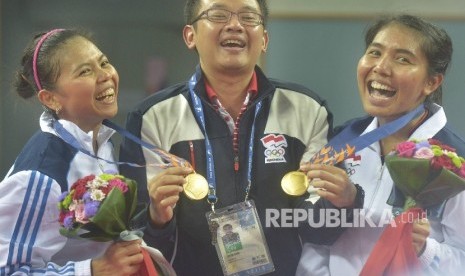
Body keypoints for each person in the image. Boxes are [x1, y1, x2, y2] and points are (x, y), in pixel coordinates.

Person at [119, 0, 364, 275]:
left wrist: (343, 202)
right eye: (218, 14)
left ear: (265, 40)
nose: (235, 25)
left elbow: (318, 232)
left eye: (249, 17)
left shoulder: (307, 110)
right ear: (191, 36)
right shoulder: (152, 118)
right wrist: (156, 219)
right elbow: (134, 235)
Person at [297, 14, 465, 275]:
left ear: (432, 82)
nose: (381, 67)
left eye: (402, 59)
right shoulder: (342, 142)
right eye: (374, 53)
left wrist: (425, 250)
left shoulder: (455, 162)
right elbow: (315, 244)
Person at [0, 29, 144, 275]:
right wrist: (92, 271)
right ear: (51, 99)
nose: (105, 76)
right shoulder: (41, 174)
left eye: (104, 63)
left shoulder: (100, 142)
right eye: (85, 71)